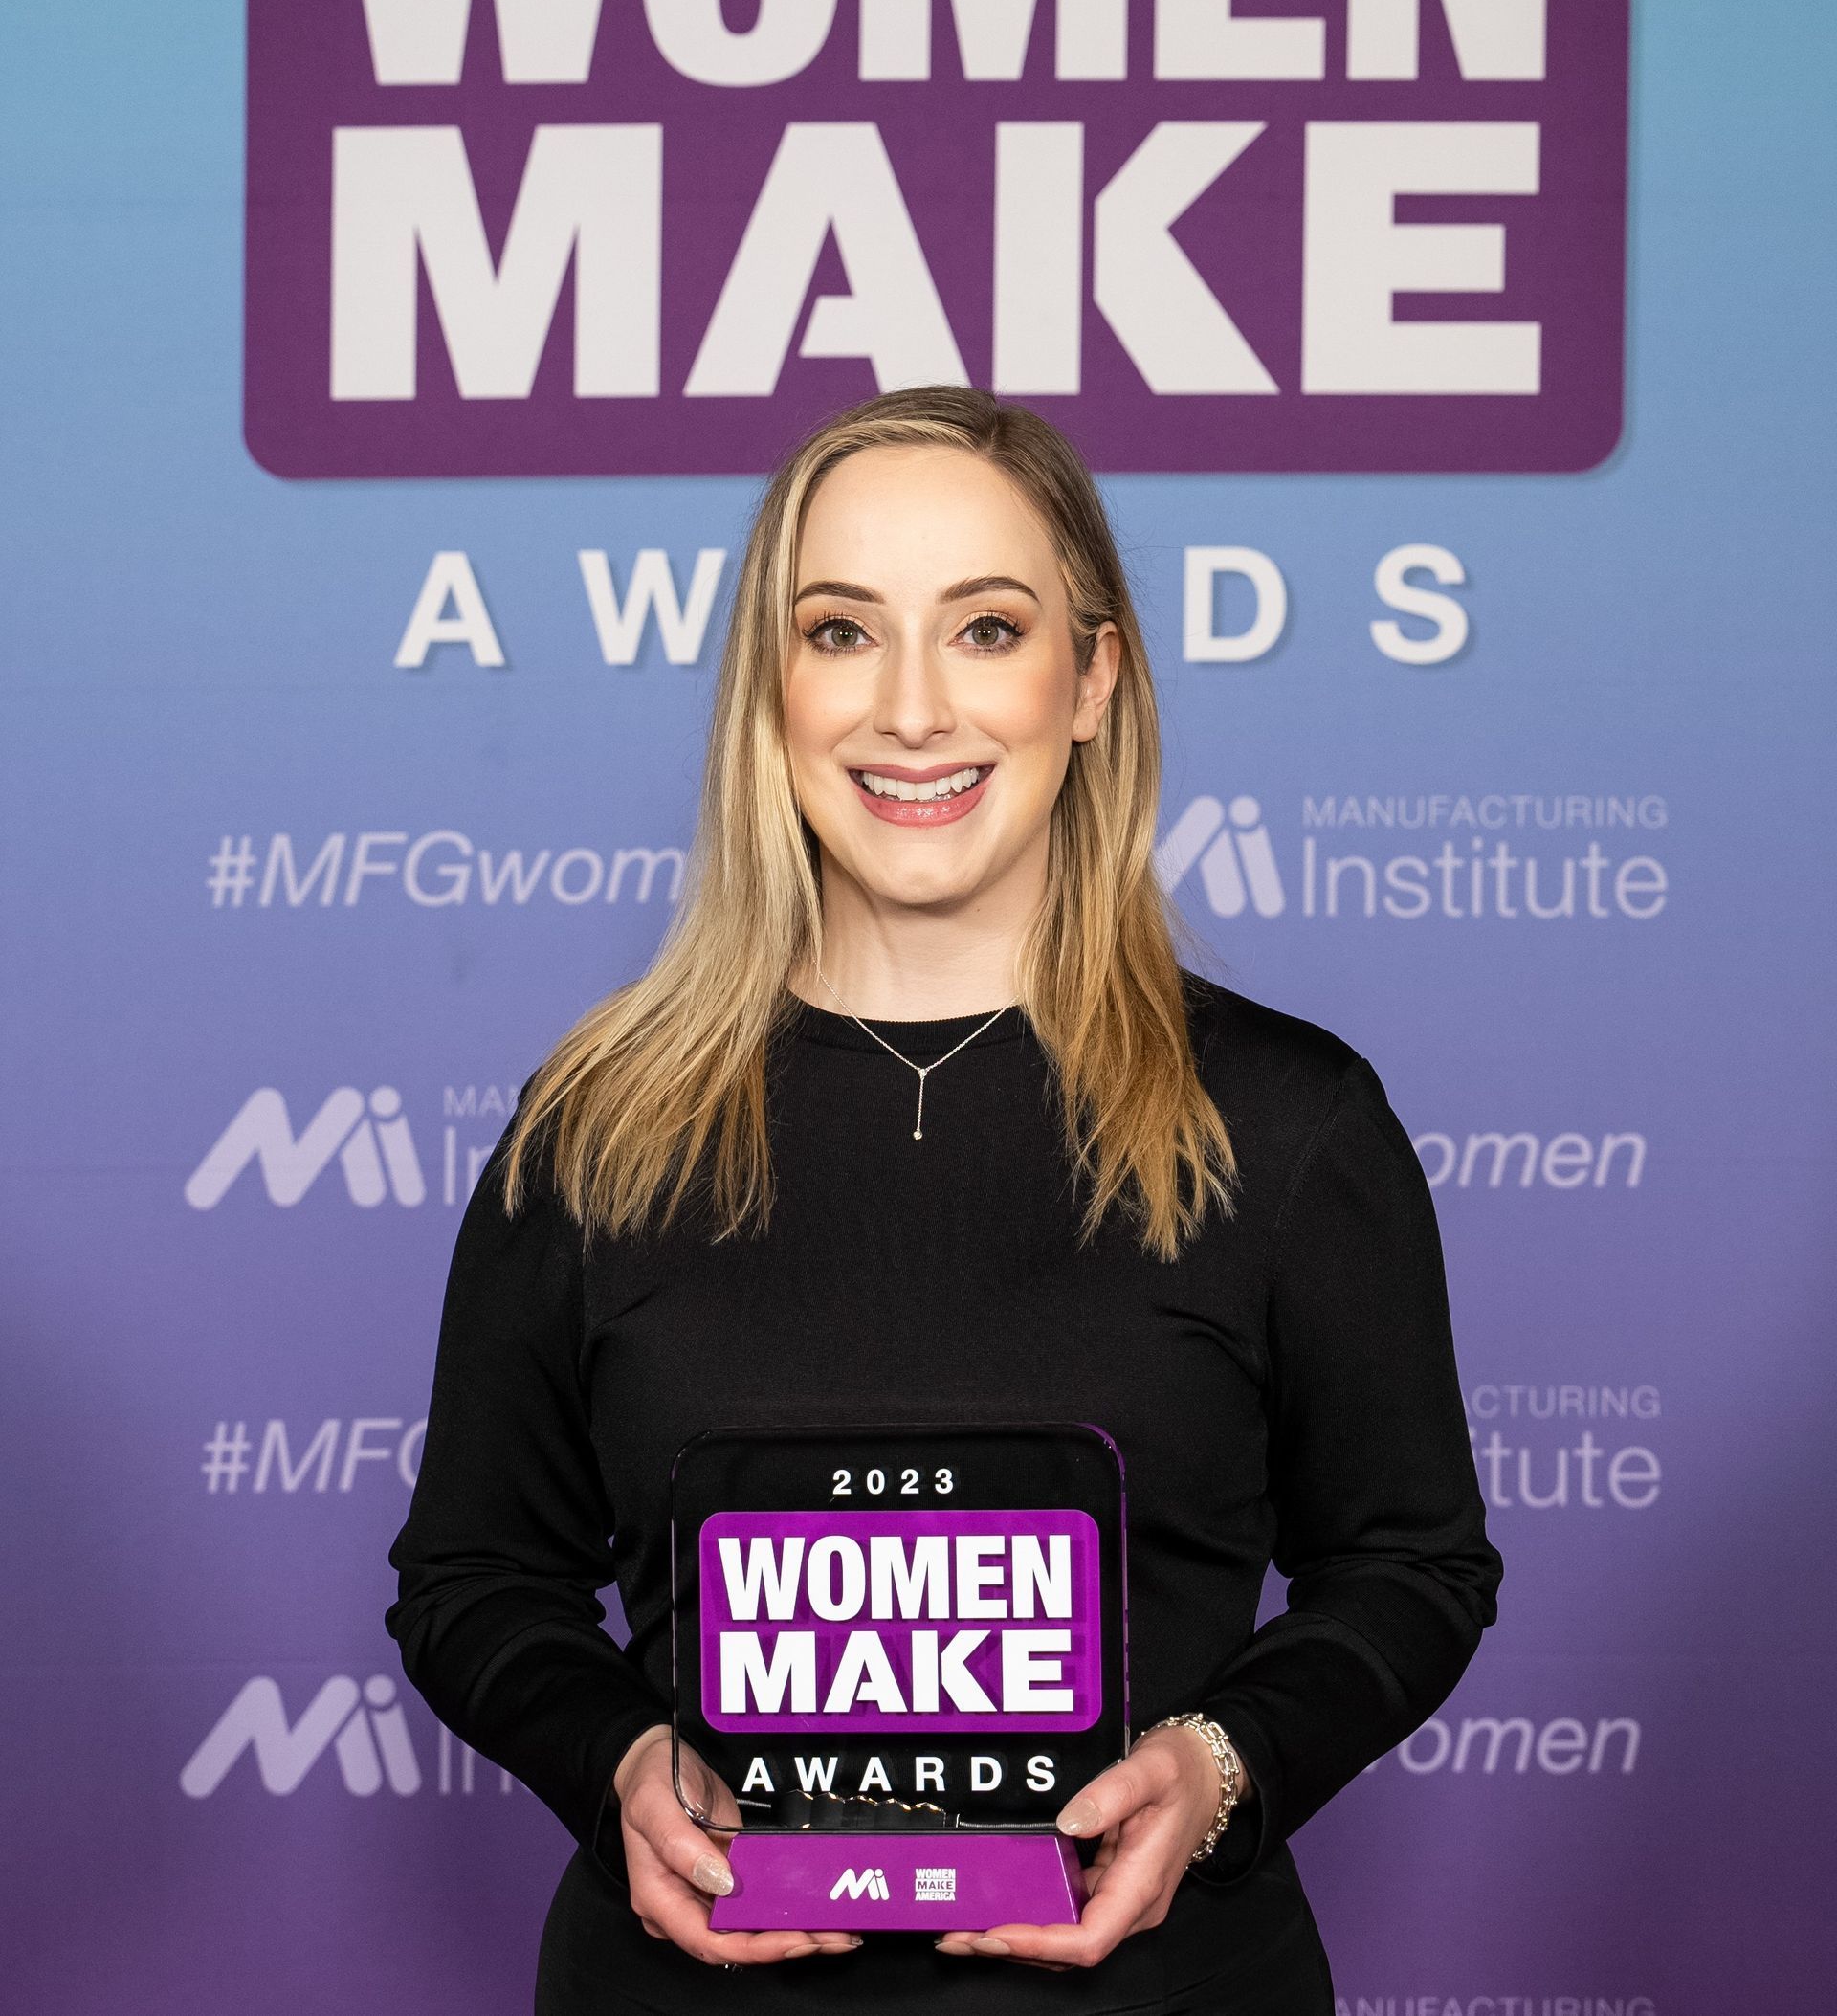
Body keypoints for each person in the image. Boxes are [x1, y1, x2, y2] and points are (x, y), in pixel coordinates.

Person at [387, 388, 1500, 2014]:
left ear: (1094, 679)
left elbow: (1412, 1564)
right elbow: (473, 1574)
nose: (911, 710)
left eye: (986, 628)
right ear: (771, 691)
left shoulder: (1286, 1121)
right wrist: (617, 1754)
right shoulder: (597, 1127)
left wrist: (1219, 1763)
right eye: (842, 630)